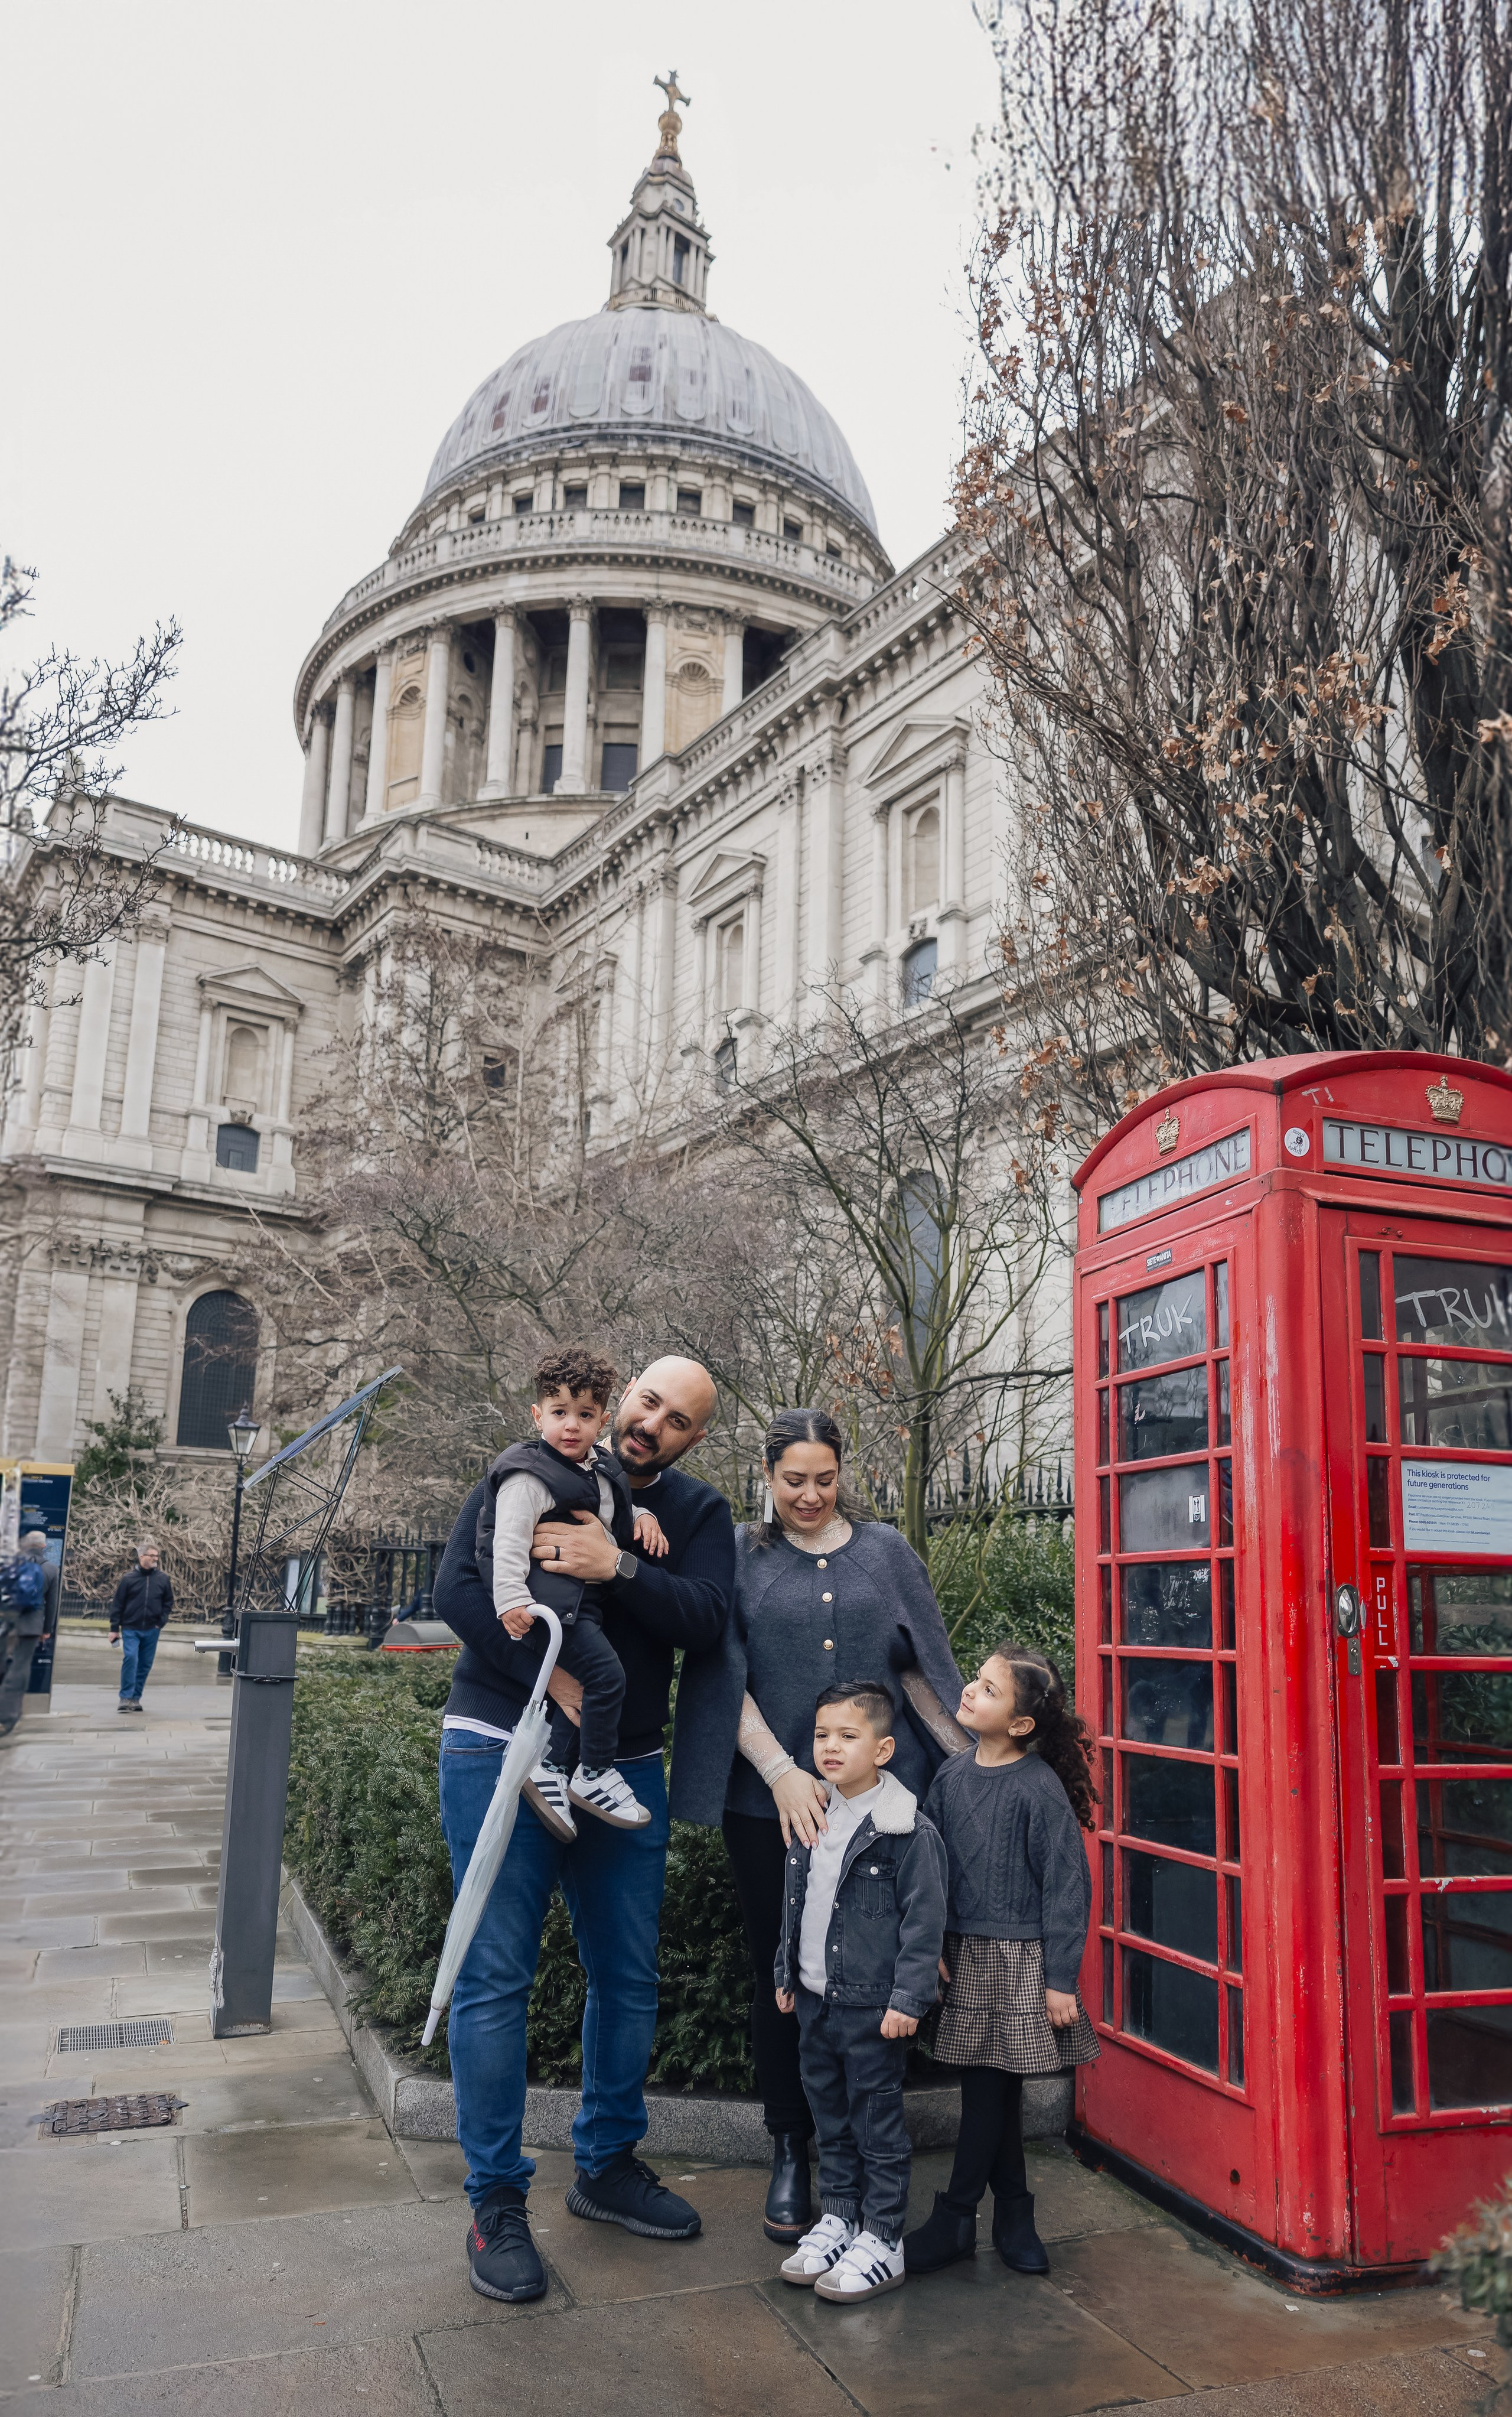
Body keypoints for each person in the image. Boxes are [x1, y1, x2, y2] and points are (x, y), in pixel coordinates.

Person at [434, 1356, 735, 2305]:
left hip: (625, 1762)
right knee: (493, 1977)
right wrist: (559, 1681)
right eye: (646, 1401)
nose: (653, 1423)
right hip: (499, 1742)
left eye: (679, 1419)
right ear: (622, 1399)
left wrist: (624, 1568)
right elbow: (455, 1590)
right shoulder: (529, 1466)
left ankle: (606, 2165)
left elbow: (710, 1617)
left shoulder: (694, 1514)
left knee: (628, 1973)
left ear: (693, 1437)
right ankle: (496, 2199)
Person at [672, 1406, 966, 2246]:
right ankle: (791, 2146)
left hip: (881, 1813)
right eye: (793, 1479)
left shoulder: (886, 1552)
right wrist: (781, 1769)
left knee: (877, 1978)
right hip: (771, 1804)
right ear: (767, 1476)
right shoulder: (736, 1554)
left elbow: (927, 1674)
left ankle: (870, 2157)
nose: (809, 1493)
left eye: (825, 1478)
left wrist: (979, 1773)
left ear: (844, 1471)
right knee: (787, 1975)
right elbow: (723, 1672)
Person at [903, 1642, 1100, 2280]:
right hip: (962, 1953)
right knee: (993, 2090)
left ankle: (956, 2215)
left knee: (990, 2088)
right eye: (976, 1678)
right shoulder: (951, 1776)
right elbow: (924, 1871)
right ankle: (1013, 2212)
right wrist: (928, 1945)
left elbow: (1066, 1884)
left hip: (1019, 1961)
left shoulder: (1037, 1787)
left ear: (1020, 1724)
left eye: (988, 1688)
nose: (969, 1690)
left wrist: (1059, 1978)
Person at [773, 1681, 947, 2302]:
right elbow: (794, 1905)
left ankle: (884, 2236)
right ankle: (841, 2218)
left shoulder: (905, 1830)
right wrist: (784, 1974)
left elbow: (925, 1924)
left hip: (872, 2006)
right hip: (816, 2001)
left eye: (848, 1735)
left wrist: (908, 1999)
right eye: (822, 1734)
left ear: (883, 1748)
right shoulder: (811, 1813)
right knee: (831, 2118)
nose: (830, 1746)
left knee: (876, 2123)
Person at [477, 1346, 669, 1840]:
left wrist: (642, 1517)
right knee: (607, 1679)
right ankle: (594, 1772)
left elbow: (612, 1520)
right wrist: (511, 1601)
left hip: (580, 1605)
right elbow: (508, 1540)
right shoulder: (528, 1474)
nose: (571, 1426)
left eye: (584, 1415)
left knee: (585, 1696)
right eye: (559, 1413)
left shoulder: (600, 1467)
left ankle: (552, 1770)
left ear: (603, 1419)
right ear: (538, 1415)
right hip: (551, 1608)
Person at [0, 1531, 58, 1732]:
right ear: (43, 1546)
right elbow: (52, 1604)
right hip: (31, 1626)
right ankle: (6, 1719)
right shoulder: (51, 1569)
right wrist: (47, 1630)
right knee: (19, 1669)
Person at [109, 1542, 174, 1711]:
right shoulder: (128, 1579)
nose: (155, 1559)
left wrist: (161, 1622)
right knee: (131, 1659)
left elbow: (168, 1603)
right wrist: (114, 1628)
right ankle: (125, 1697)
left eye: (157, 1556)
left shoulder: (163, 1579)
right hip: (131, 1628)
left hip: (153, 1629)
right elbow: (118, 1604)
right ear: (141, 1557)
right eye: (151, 1555)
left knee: (145, 1664)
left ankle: (135, 1698)